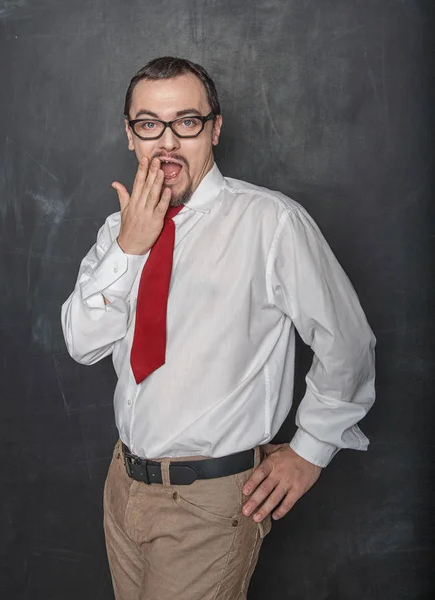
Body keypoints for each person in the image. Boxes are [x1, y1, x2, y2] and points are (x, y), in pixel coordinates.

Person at [61, 56, 376, 600]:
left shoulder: (270, 222)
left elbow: (346, 341)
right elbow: (82, 344)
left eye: (186, 122)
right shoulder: (117, 230)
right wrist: (130, 249)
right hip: (124, 488)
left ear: (215, 128)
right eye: (148, 124)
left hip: (211, 501)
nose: (167, 142)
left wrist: (311, 449)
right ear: (130, 135)